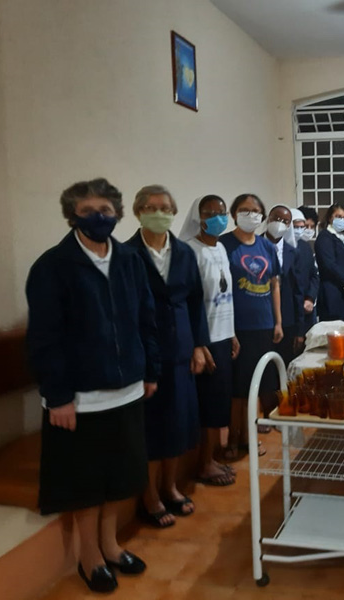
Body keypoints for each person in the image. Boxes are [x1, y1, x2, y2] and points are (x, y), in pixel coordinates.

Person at [26, 178, 158, 593]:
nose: (98, 218)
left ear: (117, 213)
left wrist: (150, 370)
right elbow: (45, 338)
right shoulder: (53, 266)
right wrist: (58, 396)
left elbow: (146, 319)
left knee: (120, 476)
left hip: (127, 389)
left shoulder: (129, 260)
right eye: (87, 212)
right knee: (87, 482)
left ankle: (111, 545)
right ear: (72, 216)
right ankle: (90, 557)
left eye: (105, 210)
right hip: (80, 398)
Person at [126, 185, 210, 527]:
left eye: (164, 207)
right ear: (138, 212)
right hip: (144, 350)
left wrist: (199, 345)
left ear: (173, 213)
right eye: (150, 207)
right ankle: (149, 496)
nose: (158, 213)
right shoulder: (126, 254)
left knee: (177, 423)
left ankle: (171, 487)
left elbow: (196, 301)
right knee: (151, 426)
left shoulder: (184, 252)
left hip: (181, 347)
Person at [180, 195, 239, 487]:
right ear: (198, 218)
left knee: (219, 403)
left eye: (221, 212)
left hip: (223, 335)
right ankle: (203, 464)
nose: (217, 217)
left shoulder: (221, 248)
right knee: (208, 405)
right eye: (210, 213)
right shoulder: (190, 251)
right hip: (206, 341)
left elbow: (225, 295)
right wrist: (199, 343)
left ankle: (211, 459)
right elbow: (189, 302)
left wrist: (232, 333)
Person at [219, 193, 282, 458]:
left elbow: (274, 284)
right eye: (244, 210)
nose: (251, 214)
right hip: (236, 327)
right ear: (234, 214)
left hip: (263, 325)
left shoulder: (266, 246)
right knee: (237, 388)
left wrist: (278, 321)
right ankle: (233, 438)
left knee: (255, 386)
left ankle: (249, 436)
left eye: (256, 211)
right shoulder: (224, 245)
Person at [265, 204, 303, 366]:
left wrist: (300, 330)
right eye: (276, 219)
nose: (280, 223)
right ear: (268, 219)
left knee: (284, 365)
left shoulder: (293, 252)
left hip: (287, 319)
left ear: (289, 226)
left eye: (285, 221)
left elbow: (298, 291)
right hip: (261, 318)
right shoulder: (255, 246)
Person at [315, 203, 344, 320]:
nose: (342, 220)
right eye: (338, 216)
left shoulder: (342, 238)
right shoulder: (325, 237)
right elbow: (329, 265)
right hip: (331, 294)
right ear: (330, 218)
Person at [291, 208, 319, 346]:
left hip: (307, 307)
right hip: (290, 310)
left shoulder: (305, 247)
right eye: (296, 227)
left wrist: (310, 297)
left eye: (303, 227)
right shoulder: (275, 246)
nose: (304, 230)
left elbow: (314, 275)